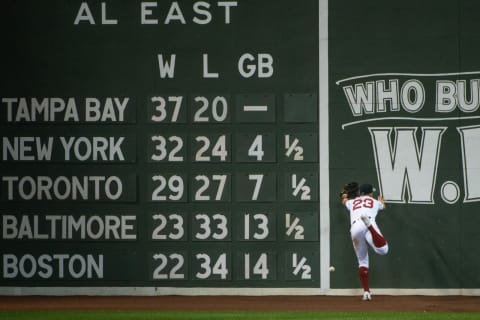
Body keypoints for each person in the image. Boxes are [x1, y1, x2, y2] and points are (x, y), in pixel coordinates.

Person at [341, 183, 389, 301]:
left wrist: (343, 194)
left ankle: (366, 292)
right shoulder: (374, 202)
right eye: (371, 192)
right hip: (368, 223)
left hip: (355, 228)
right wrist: (382, 202)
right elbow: (383, 206)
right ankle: (370, 227)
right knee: (383, 250)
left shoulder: (352, 202)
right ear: (370, 193)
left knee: (362, 261)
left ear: (359, 193)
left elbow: (344, 200)